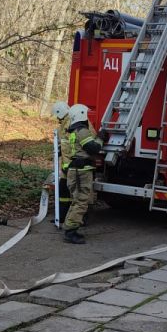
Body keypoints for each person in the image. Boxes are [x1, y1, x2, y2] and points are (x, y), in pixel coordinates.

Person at [61, 104, 102, 244]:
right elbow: (92, 148)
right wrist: (101, 139)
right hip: (81, 172)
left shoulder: (73, 130)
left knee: (76, 201)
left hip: (76, 170)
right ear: (82, 114)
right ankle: (70, 232)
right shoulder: (82, 131)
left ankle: (69, 227)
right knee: (81, 202)